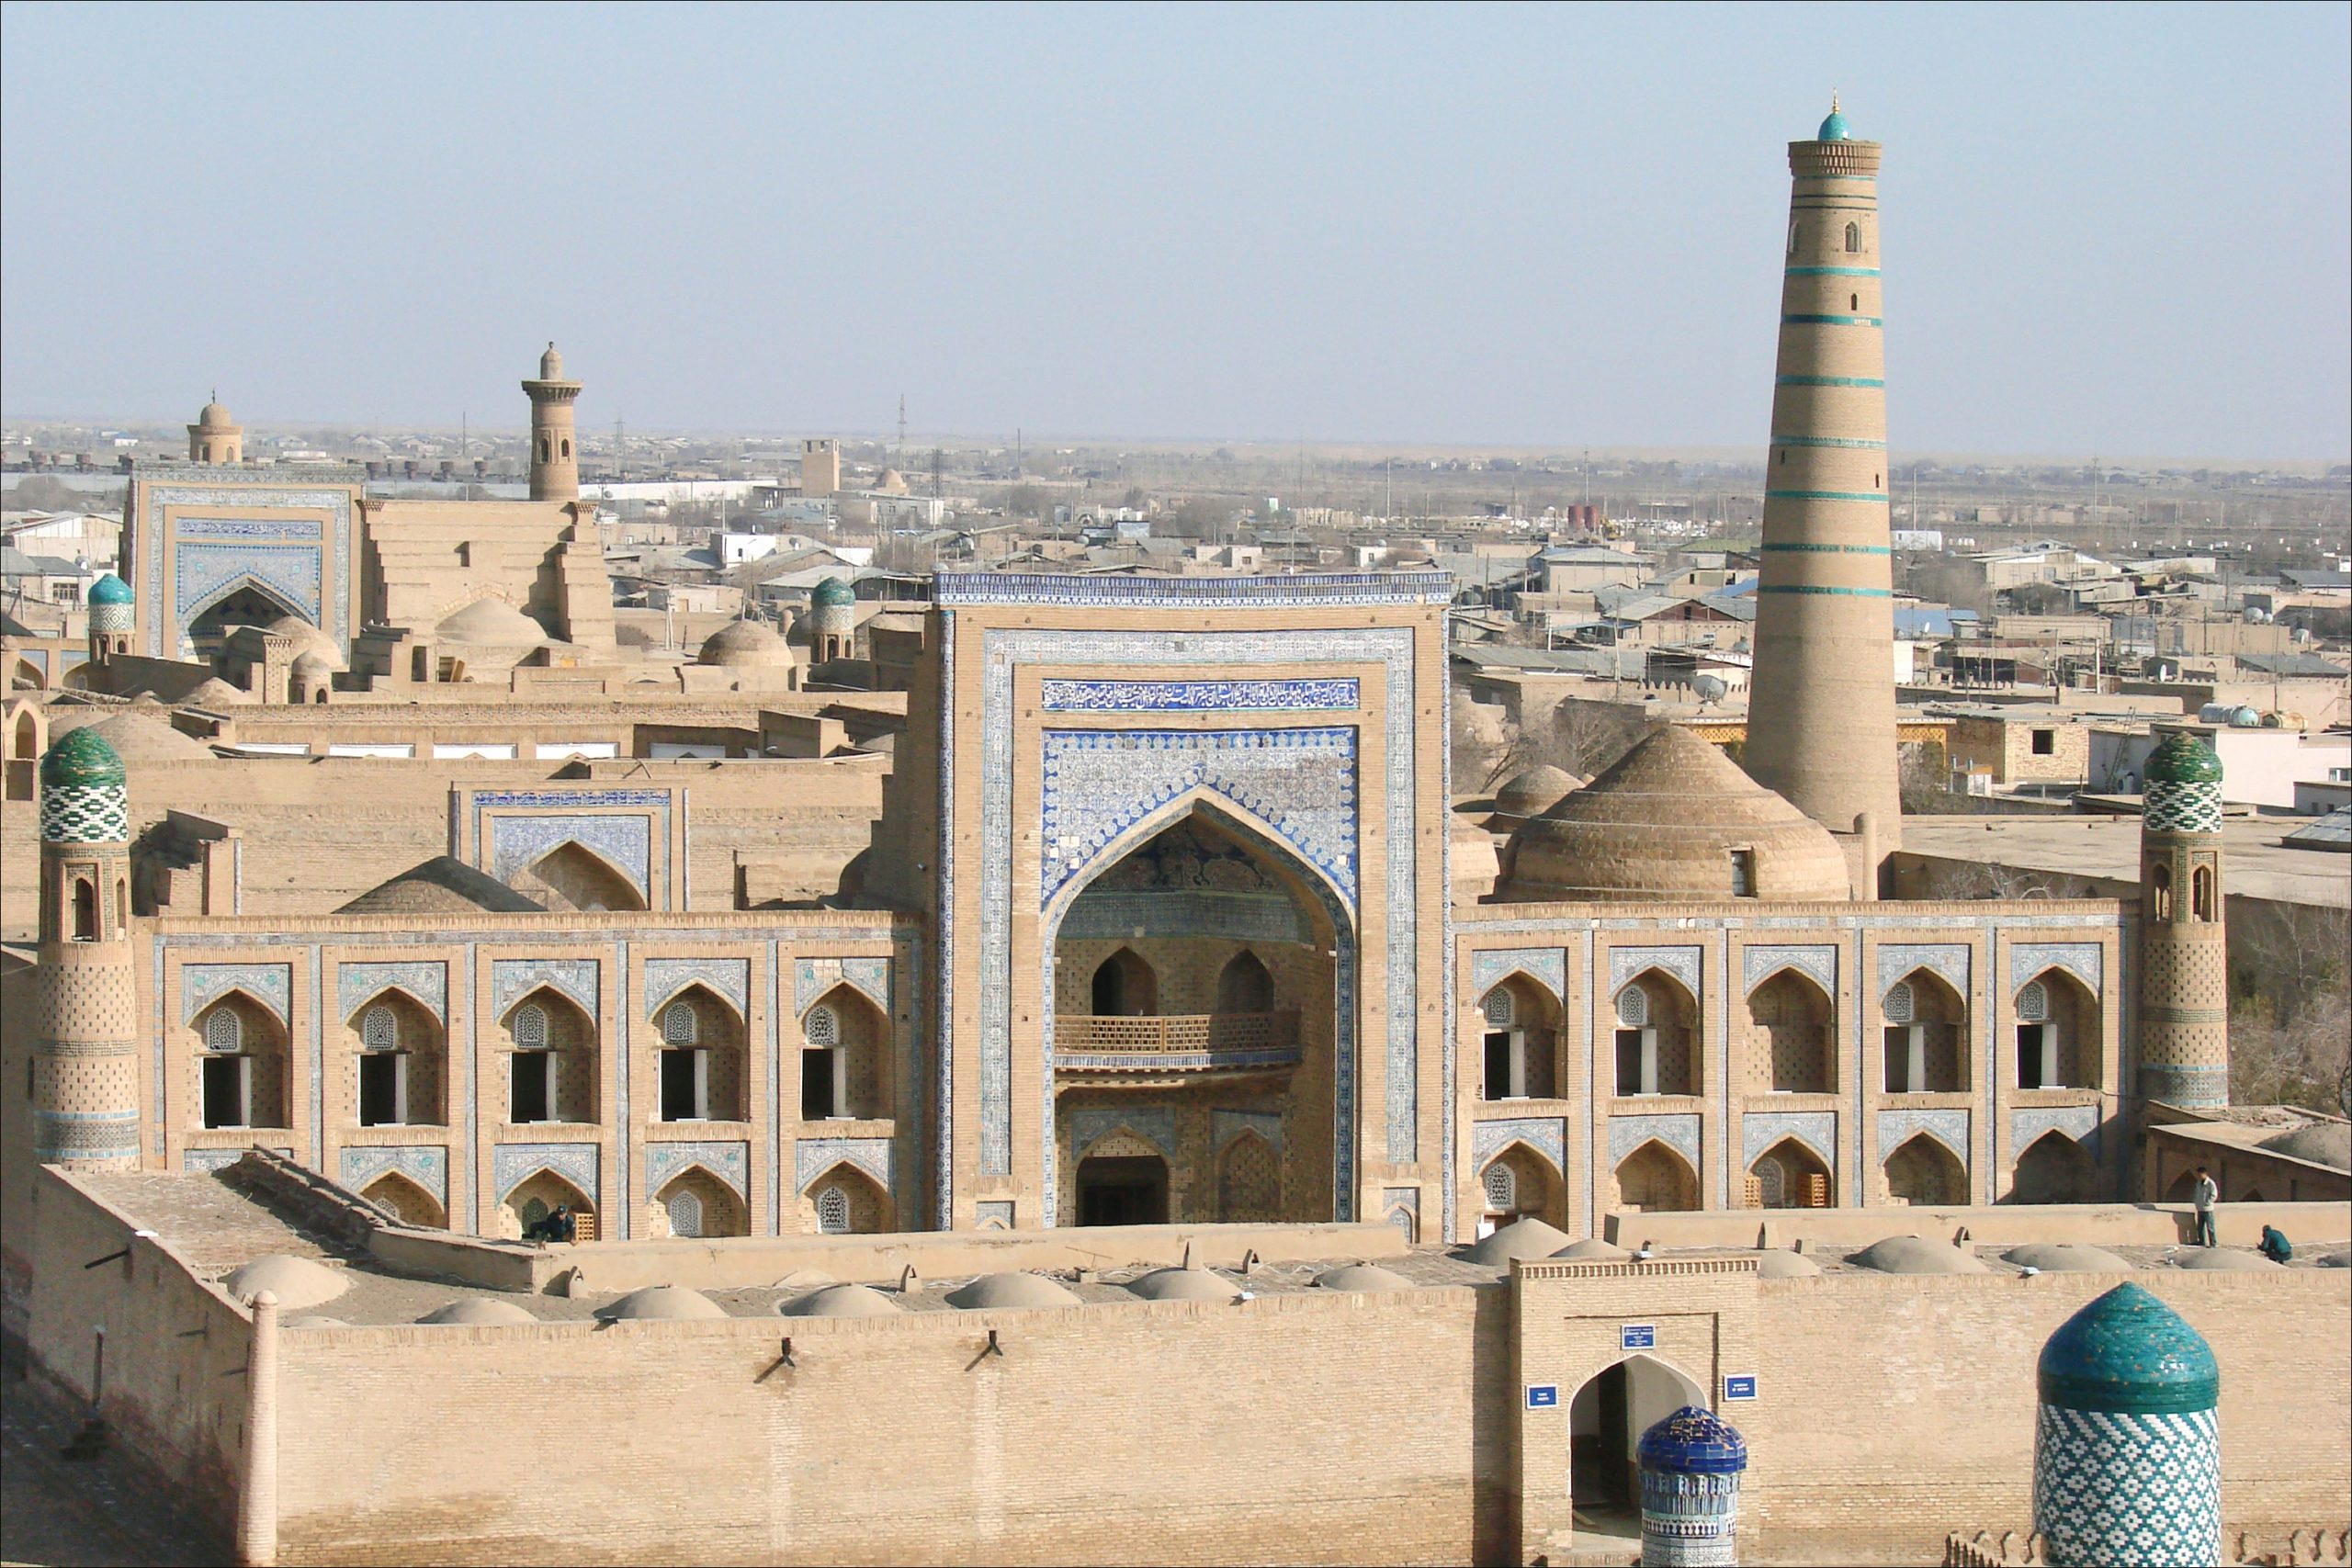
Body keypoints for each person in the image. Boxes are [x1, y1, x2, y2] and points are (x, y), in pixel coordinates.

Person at [2191, 1167, 2219, 1248]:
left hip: (2208, 1209)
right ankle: (2201, 1241)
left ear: (2205, 1174)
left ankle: (2213, 1243)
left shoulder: (2210, 1183)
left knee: (2210, 1227)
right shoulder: (2199, 1183)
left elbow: (2214, 1195)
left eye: (2200, 1174)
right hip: (2200, 1208)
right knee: (2200, 1227)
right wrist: (2197, 1202)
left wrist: (2208, 1202)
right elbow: (2197, 1194)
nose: (2199, 1176)